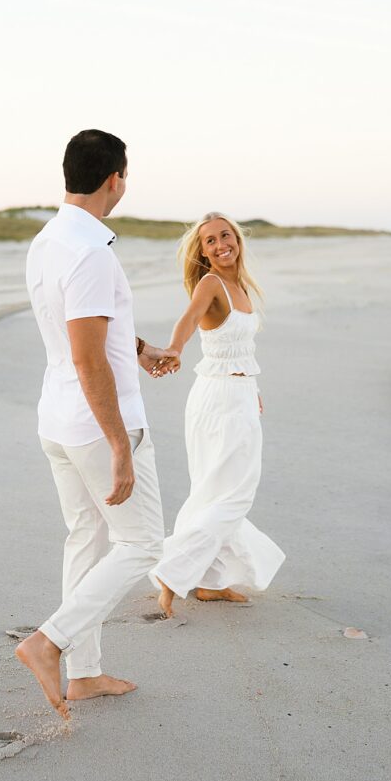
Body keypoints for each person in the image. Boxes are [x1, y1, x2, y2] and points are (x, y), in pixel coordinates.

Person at [16, 129, 175, 719]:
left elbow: (84, 332)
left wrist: (138, 348)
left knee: (87, 537)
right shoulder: (91, 251)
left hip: (56, 418)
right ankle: (49, 643)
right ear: (116, 178)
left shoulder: (48, 240)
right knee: (142, 543)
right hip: (94, 424)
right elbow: (85, 355)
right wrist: (119, 444)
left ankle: (83, 674)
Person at [149, 212, 285, 619]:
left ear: (237, 240)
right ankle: (174, 572)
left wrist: (252, 389)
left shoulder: (239, 285)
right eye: (210, 240)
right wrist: (174, 349)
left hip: (237, 393)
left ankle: (210, 582)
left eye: (226, 235)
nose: (220, 243)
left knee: (213, 491)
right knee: (234, 493)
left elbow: (242, 350)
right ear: (202, 251)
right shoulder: (211, 283)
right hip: (220, 397)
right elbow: (188, 320)